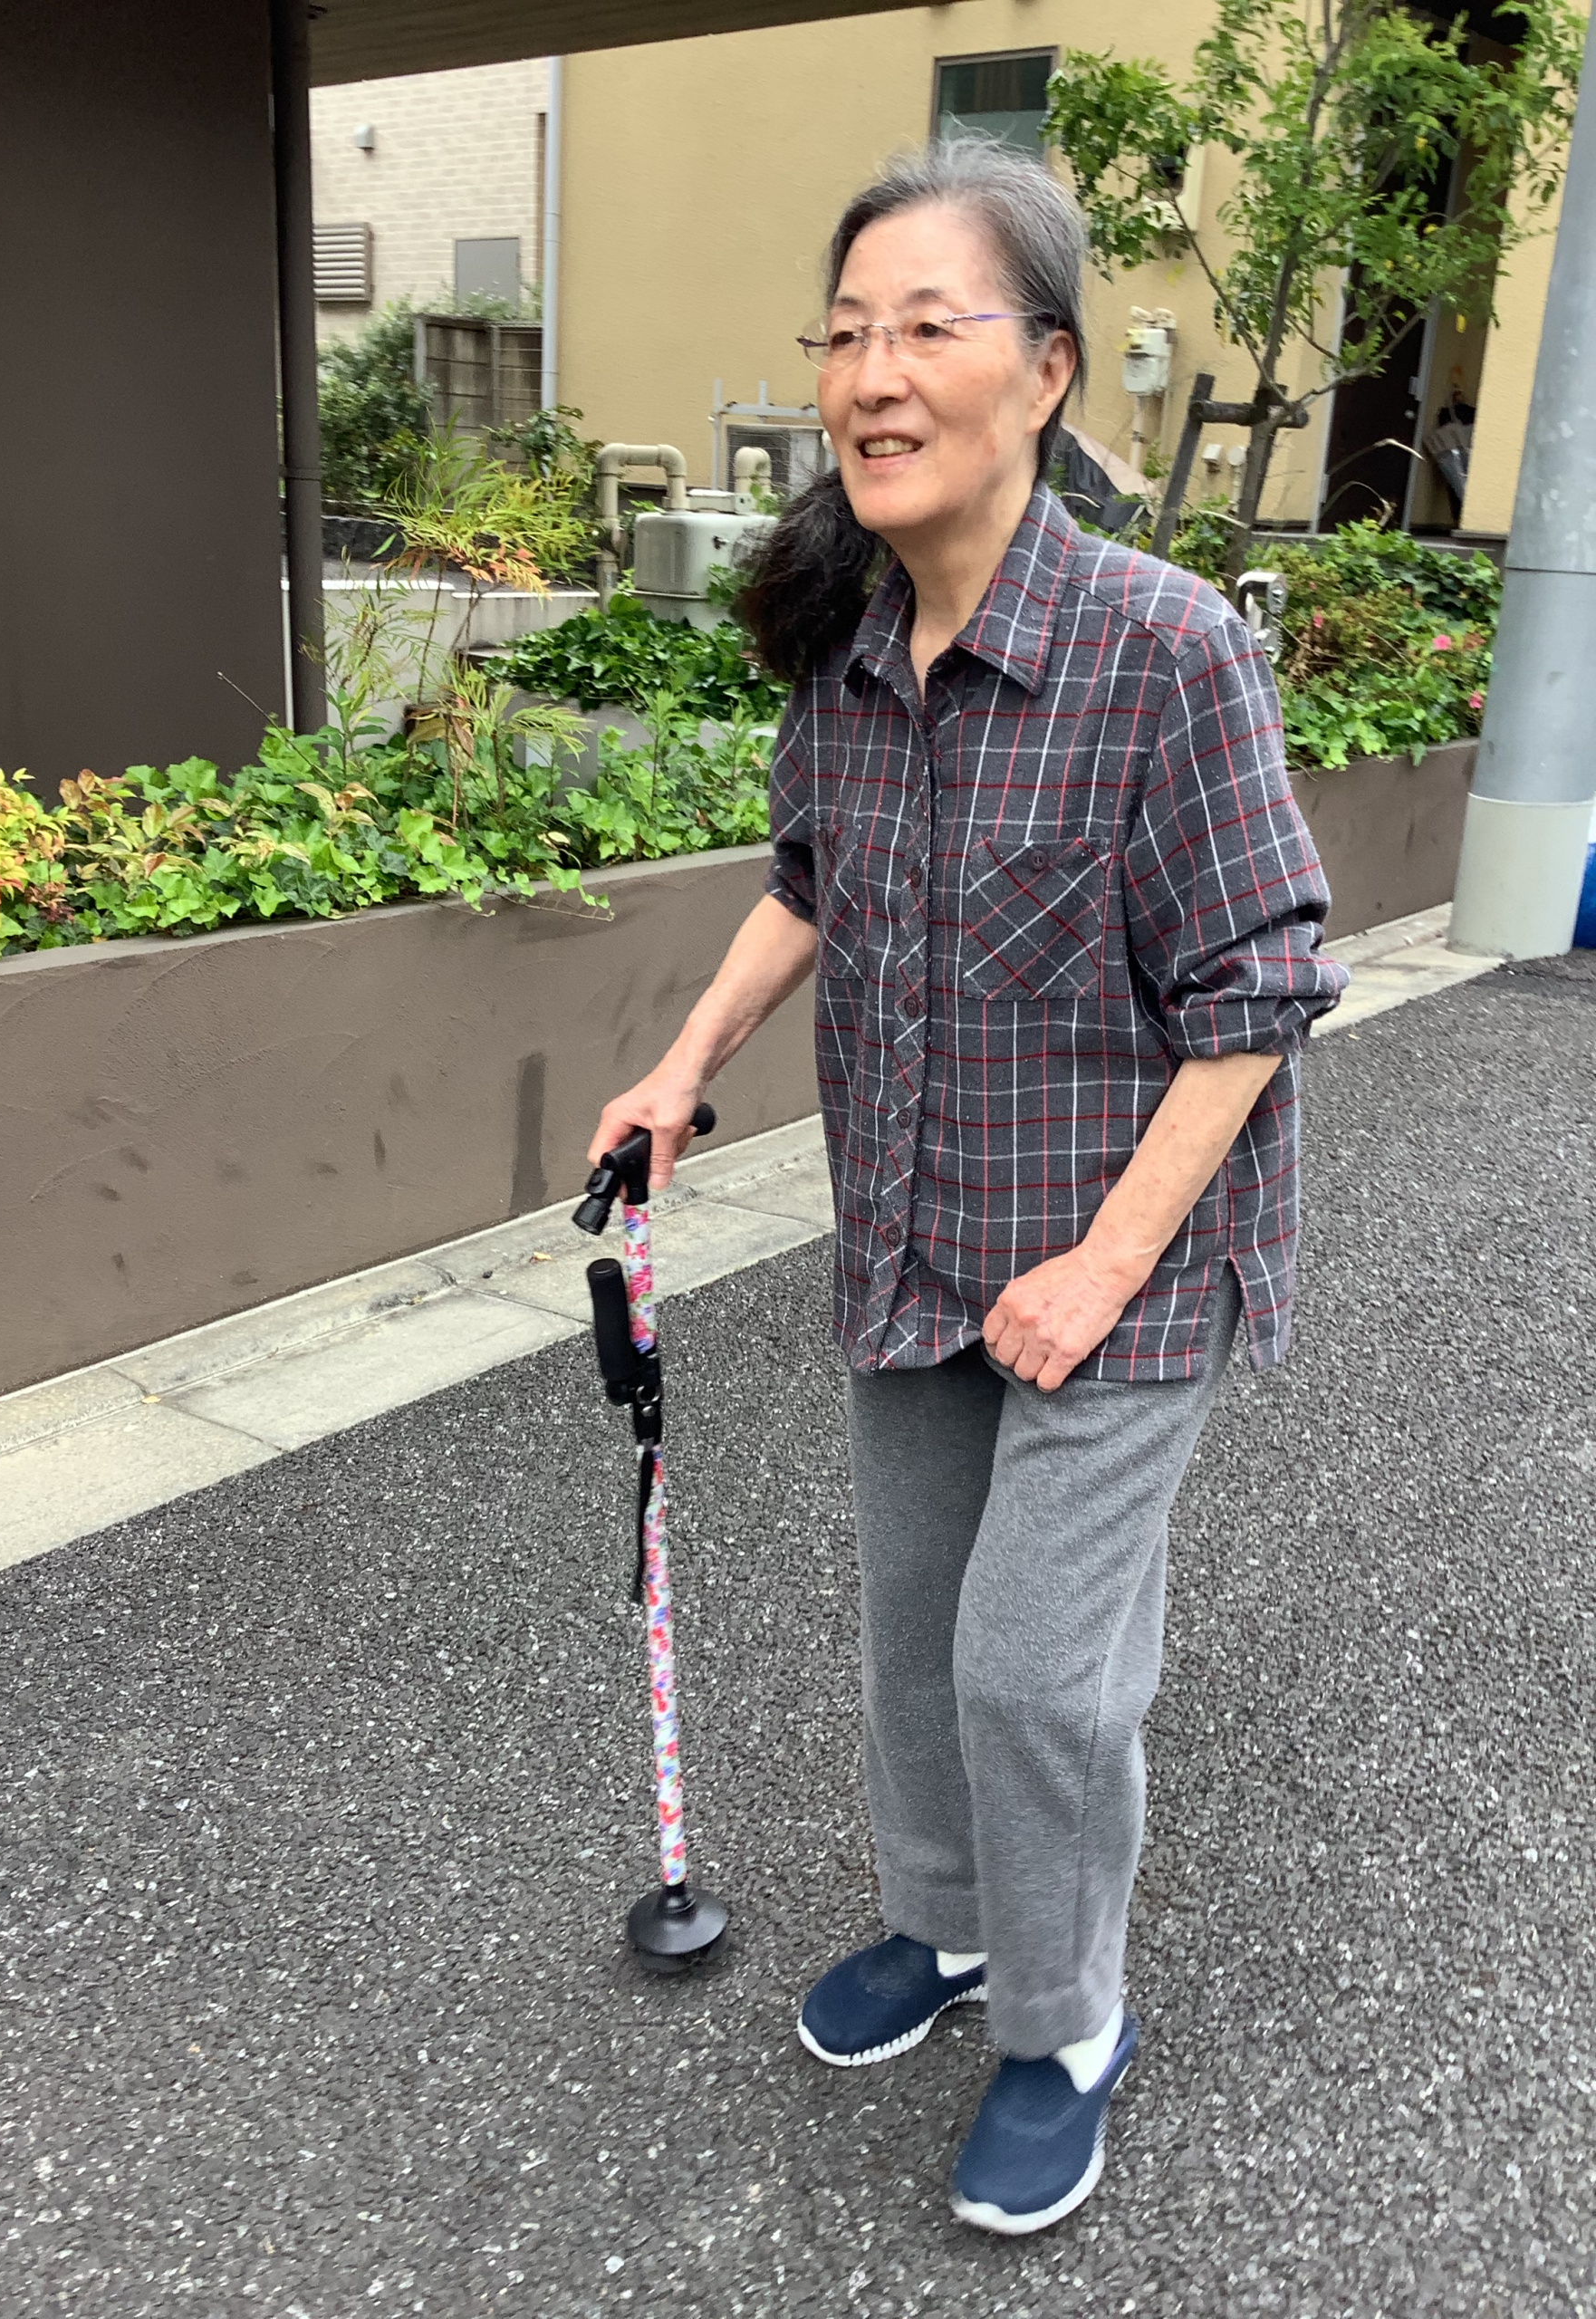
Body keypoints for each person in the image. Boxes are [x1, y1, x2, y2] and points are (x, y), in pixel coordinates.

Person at [589, 140, 1347, 2237]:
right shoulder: (849, 644)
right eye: (847, 332)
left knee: (1033, 1666)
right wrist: (679, 1068)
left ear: (1047, 370)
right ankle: (947, 1923)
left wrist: (1104, 1263)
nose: (874, 373)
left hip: (1131, 1264)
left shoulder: (1165, 652)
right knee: (919, 1633)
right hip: (919, 1229)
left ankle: (1067, 2023)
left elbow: (1263, 993)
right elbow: (808, 877)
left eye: (930, 325)